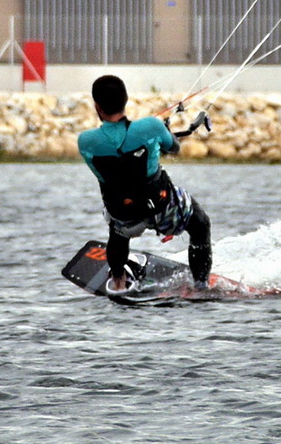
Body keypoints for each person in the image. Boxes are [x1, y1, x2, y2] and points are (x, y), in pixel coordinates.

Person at [78, 75, 212, 294]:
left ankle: (118, 280)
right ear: (126, 99)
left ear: (97, 106)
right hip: (162, 207)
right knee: (200, 223)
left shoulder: (86, 141)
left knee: (117, 226)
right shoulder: (150, 126)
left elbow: (108, 173)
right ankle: (201, 285)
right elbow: (174, 148)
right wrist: (162, 132)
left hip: (124, 214)